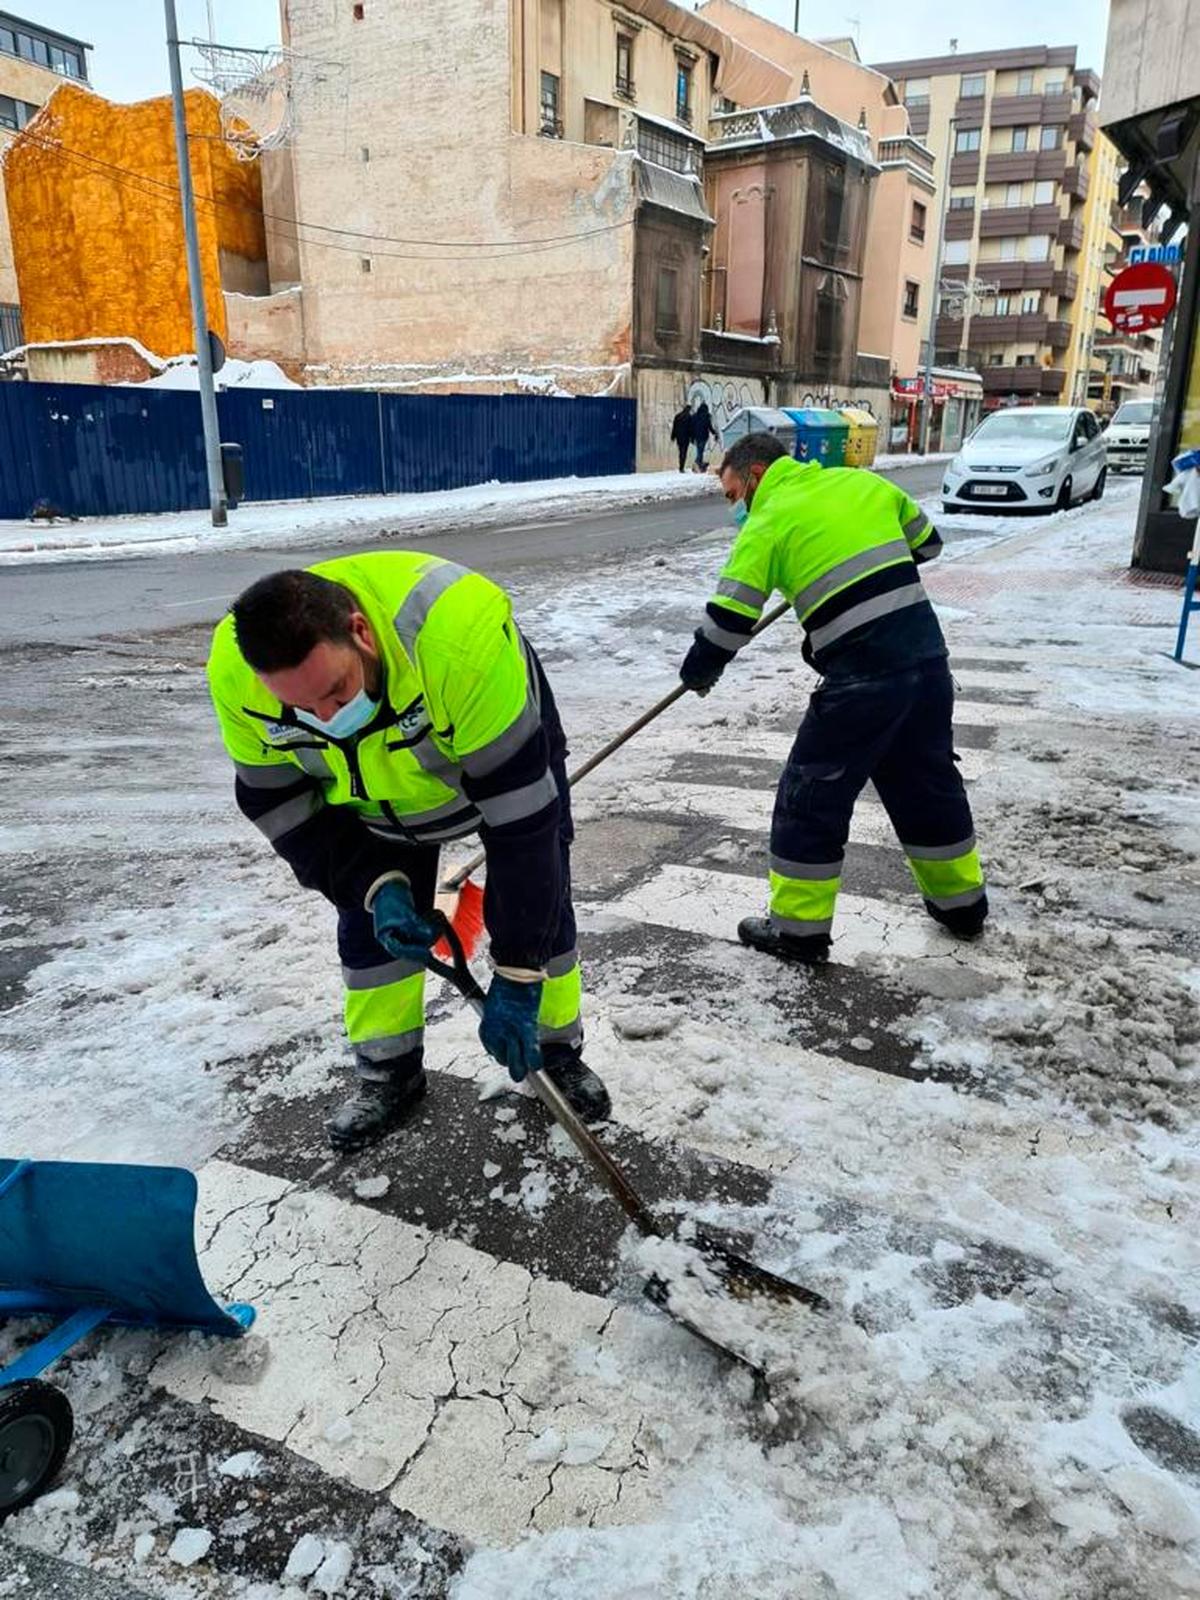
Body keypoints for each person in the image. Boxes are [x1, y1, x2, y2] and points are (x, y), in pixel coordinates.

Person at [207, 552, 611, 1152]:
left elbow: (521, 827)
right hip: (368, 806)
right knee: (374, 927)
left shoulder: (456, 642)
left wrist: (520, 972)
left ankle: (555, 1050)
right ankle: (387, 1071)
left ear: (360, 633)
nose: (328, 717)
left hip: (486, 769)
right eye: (303, 709)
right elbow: (281, 807)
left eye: (337, 691)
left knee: (539, 899)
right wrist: (373, 883)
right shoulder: (241, 675)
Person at [677, 433, 986, 964]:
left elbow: (729, 617)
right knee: (927, 784)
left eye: (733, 495)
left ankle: (798, 933)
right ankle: (963, 908)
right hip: (927, 665)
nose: (736, 507)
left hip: (863, 679)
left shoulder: (769, 522)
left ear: (755, 476)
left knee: (810, 798)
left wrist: (699, 670)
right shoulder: (862, 483)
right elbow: (927, 545)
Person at [691, 401, 719, 472]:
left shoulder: (694, 416)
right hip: (704, 436)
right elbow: (709, 427)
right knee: (700, 451)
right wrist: (714, 433)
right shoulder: (706, 416)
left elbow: (691, 427)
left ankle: (698, 464)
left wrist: (691, 437)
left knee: (699, 450)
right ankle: (697, 463)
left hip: (696, 437)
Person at [670, 401, 694, 472]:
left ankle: (681, 465)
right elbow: (691, 429)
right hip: (686, 437)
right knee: (684, 451)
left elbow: (674, 427)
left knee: (681, 451)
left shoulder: (677, 416)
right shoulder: (689, 417)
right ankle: (681, 467)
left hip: (679, 437)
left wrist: (673, 436)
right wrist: (692, 438)